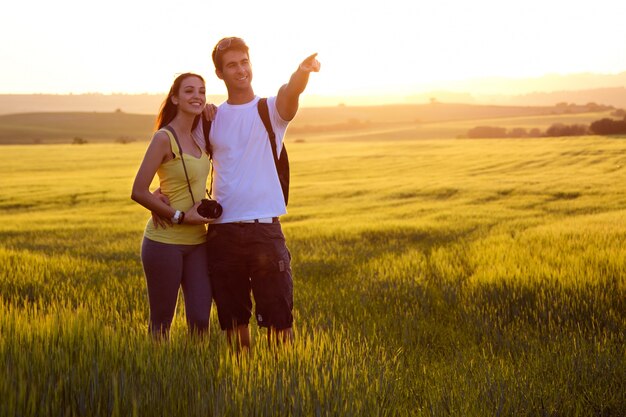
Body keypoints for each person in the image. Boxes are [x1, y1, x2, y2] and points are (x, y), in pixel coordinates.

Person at [200, 37, 320, 350]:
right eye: (232, 65)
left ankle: (282, 390)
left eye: (244, 62)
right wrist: (160, 196)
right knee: (233, 324)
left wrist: (302, 73)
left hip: (264, 230)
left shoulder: (271, 110)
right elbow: (184, 162)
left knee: (280, 321)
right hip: (222, 234)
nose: (240, 70)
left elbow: (290, 92)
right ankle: (246, 388)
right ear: (220, 73)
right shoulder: (210, 118)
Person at [131, 73, 213, 339]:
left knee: (201, 320)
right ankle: (157, 375)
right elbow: (138, 190)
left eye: (201, 91)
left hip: (199, 242)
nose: (197, 96)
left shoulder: (200, 136)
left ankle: (198, 375)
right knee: (161, 323)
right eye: (189, 91)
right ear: (175, 98)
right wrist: (178, 216)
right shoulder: (163, 138)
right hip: (164, 241)